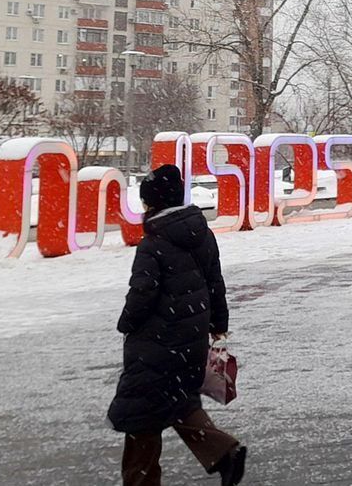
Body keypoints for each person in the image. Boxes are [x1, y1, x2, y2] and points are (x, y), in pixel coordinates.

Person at [108, 164, 248, 486]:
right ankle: (224, 453)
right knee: (178, 400)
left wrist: (126, 323)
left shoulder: (153, 242)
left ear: (153, 203)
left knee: (141, 414)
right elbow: (215, 281)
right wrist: (218, 323)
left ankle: (141, 482)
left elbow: (142, 293)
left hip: (156, 342)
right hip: (190, 338)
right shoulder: (202, 233)